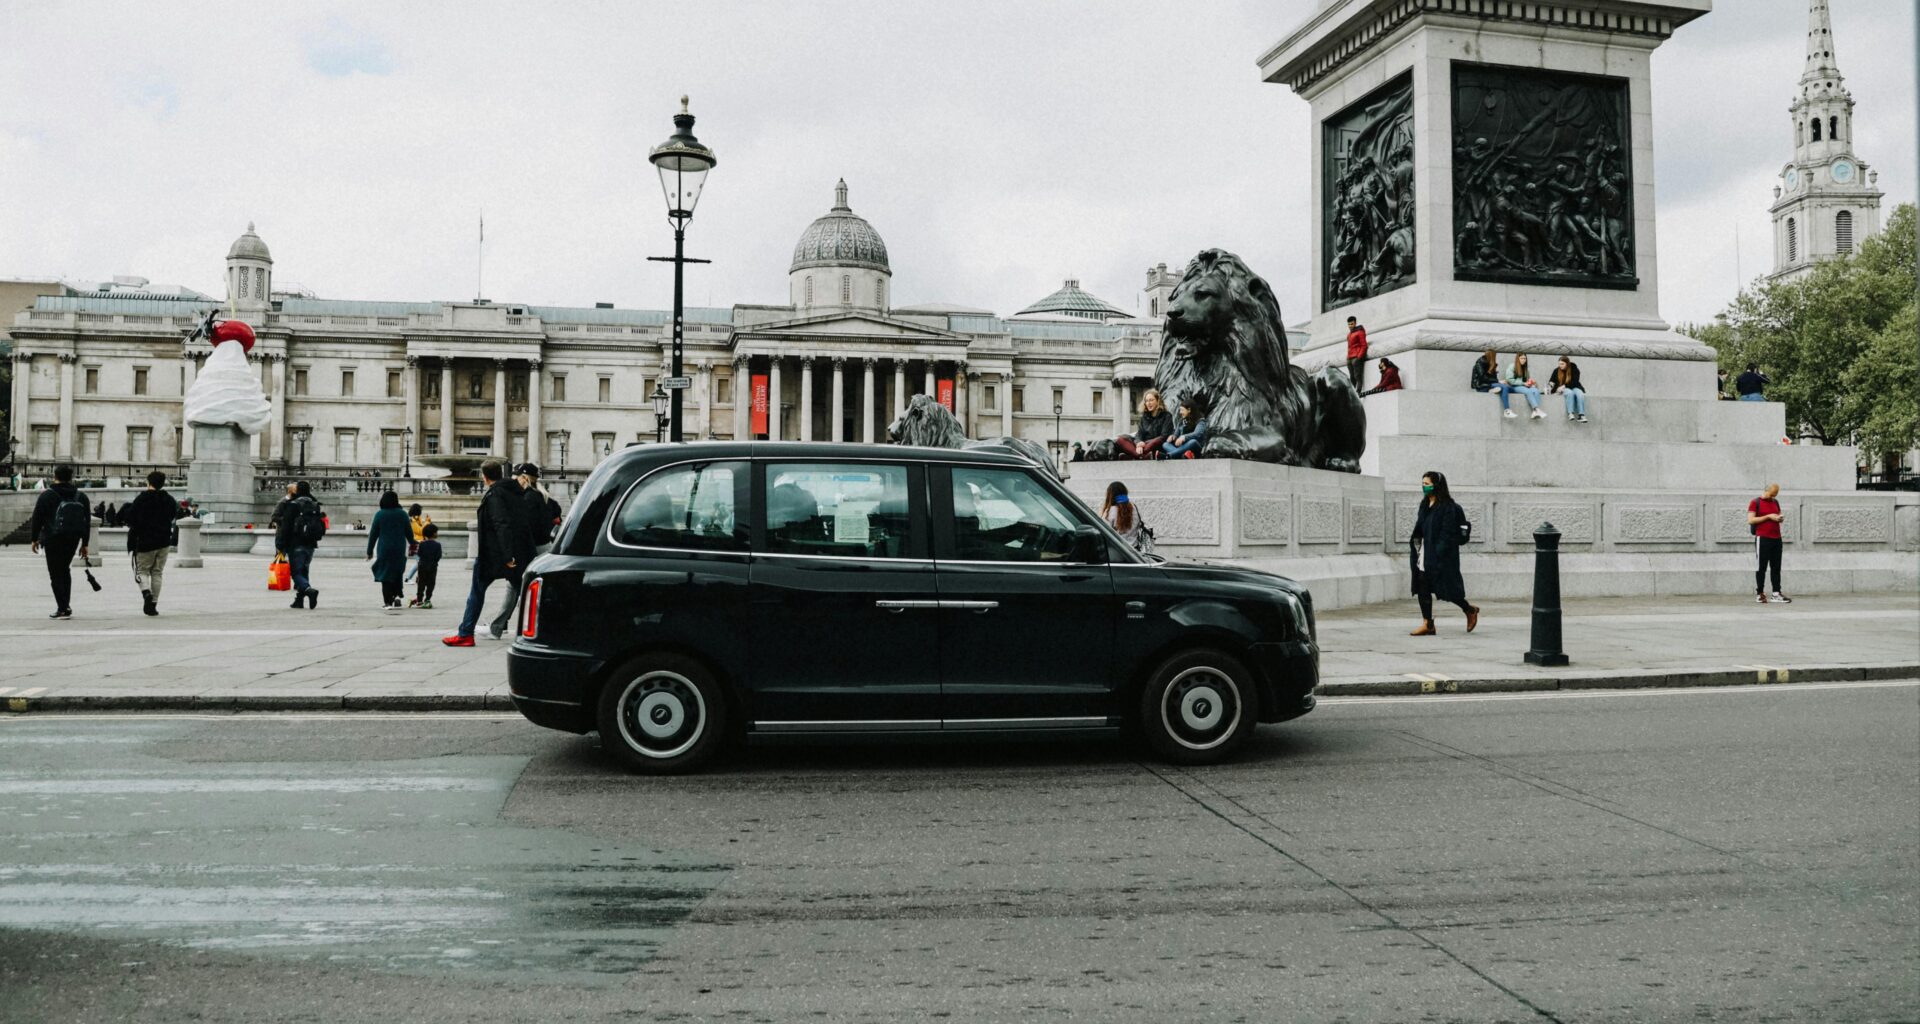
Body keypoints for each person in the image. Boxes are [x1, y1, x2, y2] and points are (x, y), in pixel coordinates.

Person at [445, 460, 533, 647]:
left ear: (484, 477)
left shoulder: (495, 495)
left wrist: (508, 556)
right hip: (517, 552)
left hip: (495, 555)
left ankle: (466, 633)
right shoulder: (515, 492)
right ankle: (539, 630)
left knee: (476, 592)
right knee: (523, 591)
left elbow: (501, 525)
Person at [1408, 470, 1479, 636]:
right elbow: (1420, 527)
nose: (1423, 487)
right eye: (1423, 484)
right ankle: (1428, 623)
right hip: (1425, 552)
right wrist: (1416, 545)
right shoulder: (1425, 504)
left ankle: (1469, 609)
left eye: (1427, 484)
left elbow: (1446, 534)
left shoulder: (1448, 507)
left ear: (1436, 485)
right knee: (1422, 584)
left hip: (1441, 556)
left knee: (1447, 589)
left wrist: (1438, 553)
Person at [29, 465, 91, 619]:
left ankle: (63, 607)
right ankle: (65, 605)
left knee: (55, 572)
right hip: (72, 538)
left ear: (54, 476)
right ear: (71, 477)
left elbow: (37, 518)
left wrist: (34, 539)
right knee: (64, 569)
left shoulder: (47, 495)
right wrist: (85, 543)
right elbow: (87, 521)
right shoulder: (81, 496)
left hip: (52, 538)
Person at [122, 470, 180, 616]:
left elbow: (131, 518)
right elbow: (173, 515)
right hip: (163, 541)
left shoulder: (142, 498)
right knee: (157, 572)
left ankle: (146, 592)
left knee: (142, 570)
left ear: (149, 482)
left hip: (145, 540)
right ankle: (153, 604)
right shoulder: (169, 499)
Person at [275, 480, 326, 609]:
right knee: (304, 570)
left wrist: (280, 544)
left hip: (296, 543)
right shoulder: (315, 504)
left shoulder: (293, 505)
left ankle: (309, 590)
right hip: (311, 543)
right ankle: (299, 600)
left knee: (296, 572)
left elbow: (286, 527)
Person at [365, 490, 412, 610]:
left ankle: (387, 602)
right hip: (399, 547)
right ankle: (397, 595)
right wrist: (413, 544)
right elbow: (409, 533)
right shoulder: (403, 514)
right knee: (397, 572)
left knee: (385, 573)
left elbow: (373, 534)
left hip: (384, 548)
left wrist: (369, 551)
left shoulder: (380, 514)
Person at [1747, 483, 1791, 604]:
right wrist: (1768, 517)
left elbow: (1777, 514)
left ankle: (1776, 593)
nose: (1773, 497)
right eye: (1772, 494)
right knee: (1761, 567)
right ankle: (1760, 593)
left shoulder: (1775, 502)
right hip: (1763, 538)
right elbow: (1750, 520)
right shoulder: (1755, 502)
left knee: (1776, 567)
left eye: (1775, 494)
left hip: (1776, 538)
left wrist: (1779, 518)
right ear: (1766, 490)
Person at [1115, 388, 1175, 459]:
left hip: (1156, 445)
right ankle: (1141, 456)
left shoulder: (1167, 416)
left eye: (1151, 400)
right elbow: (1139, 434)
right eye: (1146, 401)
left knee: (1157, 440)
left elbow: (1164, 436)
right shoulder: (1144, 417)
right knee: (1120, 440)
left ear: (1158, 401)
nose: (1148, 403)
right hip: (1143, 445)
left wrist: (1145, 443)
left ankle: (1134, 455)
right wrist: (1138, 443)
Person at [1100, 480, 1151, 554]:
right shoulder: (1134, 507)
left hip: (1118, 553)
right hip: (1135, 552)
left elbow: (1104, 534)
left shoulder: (1110, 511)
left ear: (1110, 495)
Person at [1161, 394, 1210, 459]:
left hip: (1194, 448)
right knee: (1165, 444)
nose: (1180, 412)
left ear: (1189, 410)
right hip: (1182, 447)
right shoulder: (1181, 421)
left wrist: (1184, 437)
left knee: (1193, 442)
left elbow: (1197, 434)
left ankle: (1169, 455)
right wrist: (1173, 437)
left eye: (1182, 410)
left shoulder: (1201, 421)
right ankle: (1182, 455)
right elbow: (1176, 434)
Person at [1547, 355, 1588, 423]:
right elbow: (1551, 381)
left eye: (1562, 364)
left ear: (1567, 363)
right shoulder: (1556, 370)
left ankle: (1581, 415)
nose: (1560, 365)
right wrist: (1550, 387)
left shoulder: (1574, 369)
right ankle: (1570, 413)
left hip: (1574, 387)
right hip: (1564, 390)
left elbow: (1575, 381)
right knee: (1569, 392)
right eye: (1559, 364)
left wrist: (1564, 386)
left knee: (1580, 393)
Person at [1505, 354, 1545, 420]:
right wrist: (1523, 383)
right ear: (1518, 359)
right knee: (1528, 391)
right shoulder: (1512, 366)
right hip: (1513, 387)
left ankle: (1535, 411)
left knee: (1535, 390)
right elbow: (1509, 379)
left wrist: (1531, 383)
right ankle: (1536, 409)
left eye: (1525, 358)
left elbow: (1527, 380)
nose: (1523, 360)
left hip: (1523, 387)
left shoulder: (1525, 369)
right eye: (1521, 358)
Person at [413, 523, 443, 609]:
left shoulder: (422, 544)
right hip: (433, 566)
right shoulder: (438, 545)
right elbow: (438, 556)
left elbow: (419, 554)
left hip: (422, 566)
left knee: (421, 583)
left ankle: (419, 600)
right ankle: (427, 599)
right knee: (431, 584)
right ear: (433, 533)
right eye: (436, 532)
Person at [1345, 315, 1369, 389]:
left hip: (1356, 357)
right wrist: (1348, 357)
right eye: (1349, 324)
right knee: (1351, 376)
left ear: (1355, 323)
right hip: (1350, 357)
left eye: (1352, 324)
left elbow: (1364, 345)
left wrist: (1359, 357)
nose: (1350, 326)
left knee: (1357, 375)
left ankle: (1359, 389)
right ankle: (1353, 390)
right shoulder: (1349, 335)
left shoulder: (1360, 332)